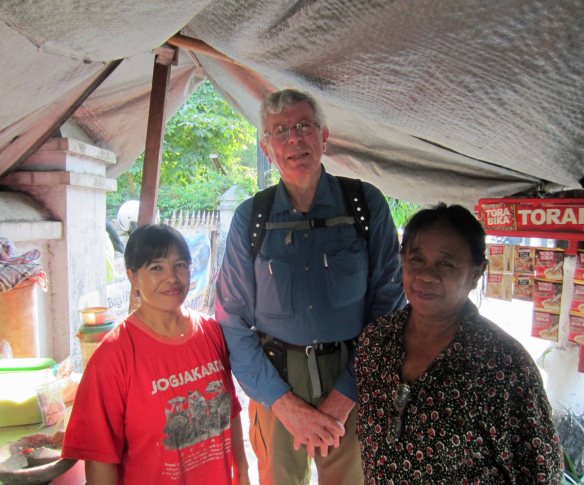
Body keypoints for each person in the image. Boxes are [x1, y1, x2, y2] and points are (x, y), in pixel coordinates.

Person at [215, 89, 405, 484]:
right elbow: (232, 321)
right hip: (276, 381)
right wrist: (284, 405)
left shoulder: (364, 206)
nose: (294, 138)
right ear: (267, 149)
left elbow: (389, 311)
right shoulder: (252, 217)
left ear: (324, 136)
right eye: (279, 131)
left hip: (353, 380)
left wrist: (344, 397)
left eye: (304, 126)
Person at [355, 203, 564, 483]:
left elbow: (541, 475)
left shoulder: (506, 366)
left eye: (446, 263)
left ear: (476, 274)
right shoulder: (376, 343)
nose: (426, 275)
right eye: (417, 259)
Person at [62, 224, 249, 485]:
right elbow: (100, 456)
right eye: (156, 268)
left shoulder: (211, 332)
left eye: (180, 265)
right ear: (133, 277)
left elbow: (231, 413)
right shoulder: (113, 356)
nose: (172, 277)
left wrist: (242, 474)